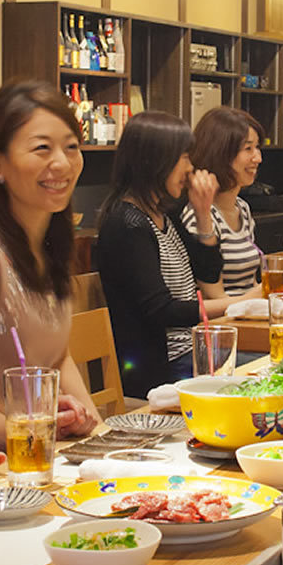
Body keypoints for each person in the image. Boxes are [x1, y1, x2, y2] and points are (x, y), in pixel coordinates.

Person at [0, 82, 99, 442]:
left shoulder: (50, 246)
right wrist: (39, 431)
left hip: (48, 445)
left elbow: (57, 358)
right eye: (42, 149)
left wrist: (93, 425)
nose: (61, 163)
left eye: (71, 147)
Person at [93, 111, 238, 398]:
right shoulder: (127, 224)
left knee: (278, 369)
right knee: (262, 380)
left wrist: (203, 213)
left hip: (191, 354)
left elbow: (207, 273)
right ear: (155, 161)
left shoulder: (164, 214)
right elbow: (161, 310)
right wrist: (237, 303)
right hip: (160, 370)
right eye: (183, 156)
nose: (190, 167)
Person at [182, 106, 270, 297]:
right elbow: (212, 295)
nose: (258, 158)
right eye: (248, 149)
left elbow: (251, 282)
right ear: (221, 154)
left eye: (257, 148)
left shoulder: (242, 208)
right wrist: (258, 295)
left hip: (249, 316)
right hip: (220, 322)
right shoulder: (198, 214)